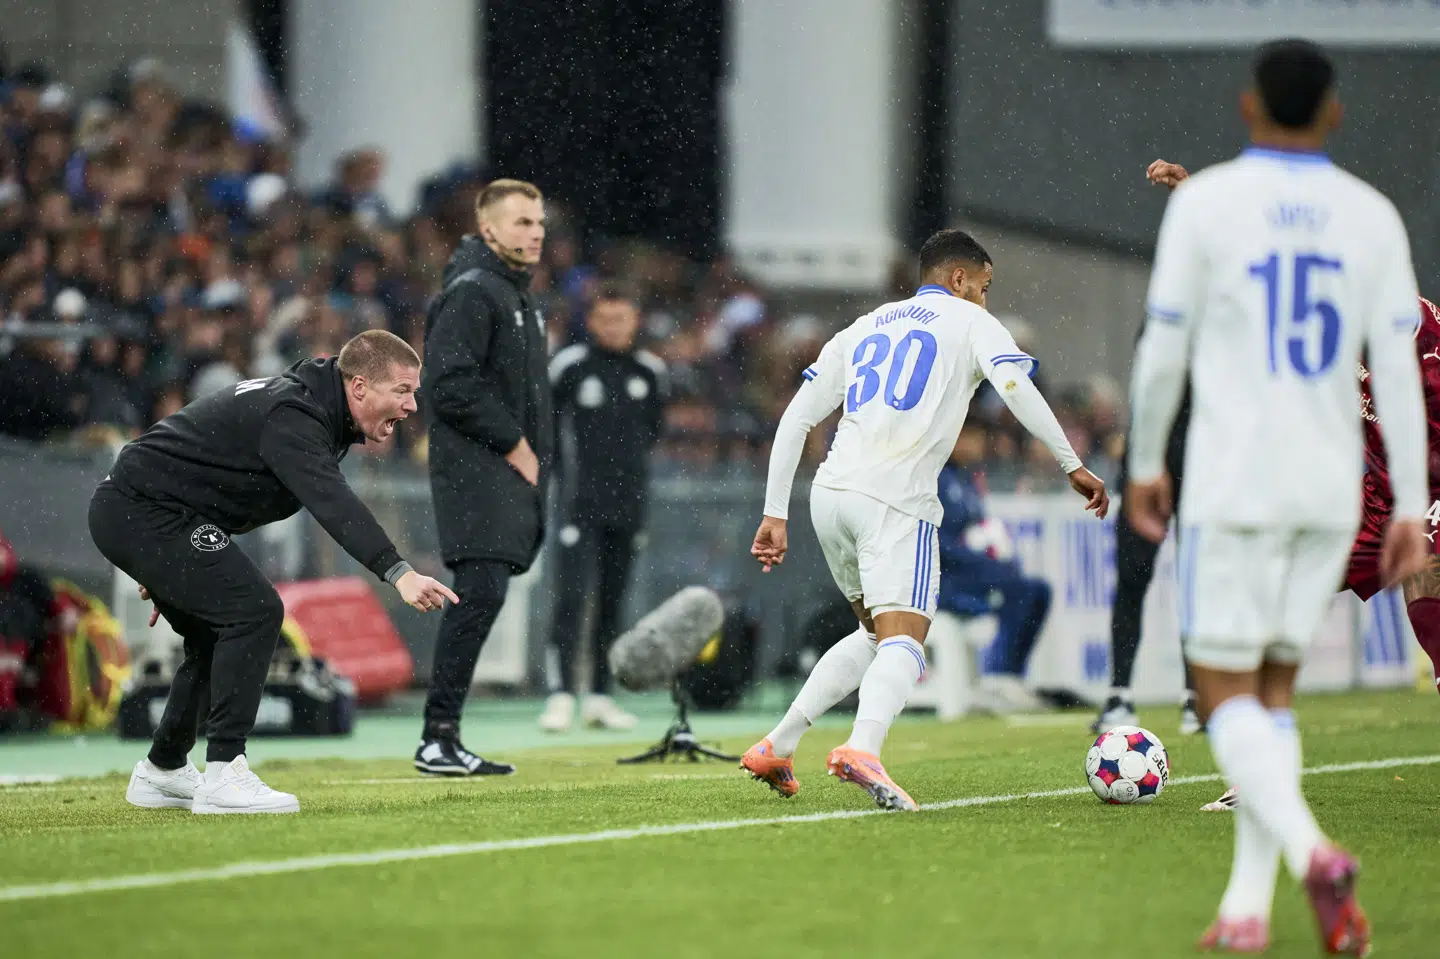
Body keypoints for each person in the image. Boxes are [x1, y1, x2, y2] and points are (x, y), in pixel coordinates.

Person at [1125, 41, 1429, 954]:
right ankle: (1247, 910)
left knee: (1223, 694)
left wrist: (1146, 457)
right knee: (1275, 692)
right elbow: (1402, 374)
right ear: (1334, 113)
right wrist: (1411, 499)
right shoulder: (1373, 216)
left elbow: (1163, 346)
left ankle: (1312, 853)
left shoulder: (1208, 200)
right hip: (1333, 484)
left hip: (1236, 476)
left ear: (1248, 106)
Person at [740, 228, 1109, 810]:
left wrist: (773, 512)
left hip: (830, 494)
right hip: (896, 498)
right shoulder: (970, 321)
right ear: (959, 279)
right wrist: (1072, 463)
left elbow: (795, 418)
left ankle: (778, 744)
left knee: (873, 635)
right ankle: (863, 749)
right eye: (984, 287)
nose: (986, 300)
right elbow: (1016, 384)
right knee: (907, 640)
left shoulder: (862, 328)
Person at [1141, 161, 1440, 812]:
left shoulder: (1413, 325)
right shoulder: (1318, 317)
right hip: (1375, 498)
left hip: (1427, 490)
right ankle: (1259, 778)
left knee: (1429, 604)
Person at [90, 330, 457, 815]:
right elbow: (333, 503)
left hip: (152, 515)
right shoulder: (297, 416)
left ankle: (163, 769)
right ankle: (225, 772)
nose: (412, 406)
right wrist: (398, 571)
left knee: (212, 635)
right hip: (142, 511)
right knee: (257, 612)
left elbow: (212, 473)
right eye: (403, 391)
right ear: (361, 387)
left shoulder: (318, 409)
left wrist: (162, 562)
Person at [418, 179, 552, 776]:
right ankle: (436, 737)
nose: (536, 232)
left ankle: (443, 736)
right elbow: (447, 383)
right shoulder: (475, 292)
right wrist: (515, 443)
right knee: (479, 596)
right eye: (522, 222)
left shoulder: (515, 296)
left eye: (540, 222)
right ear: (489, 229)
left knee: (484, 596)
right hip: (477, 470)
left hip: (497, 473)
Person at [540, 284, 667, 732]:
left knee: (614, 602)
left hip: (628, 506)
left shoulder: (650, 372)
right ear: (591, 322)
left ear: (635, 322)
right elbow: (548, 437)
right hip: (577, 504)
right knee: (571, 599)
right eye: (605, 319)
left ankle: (599, 695)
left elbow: (651, 433)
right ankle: (559, 695)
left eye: (622, 319)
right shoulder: (569, 368)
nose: (613, 328)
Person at [1093, 318, 1199, 735]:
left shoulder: (1195, 326)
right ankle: (1121, 694)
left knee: (1194, 588)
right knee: (1134, 582)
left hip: (1187, 470)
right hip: (1152, 468)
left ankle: (1195, 696)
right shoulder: (1167, 320)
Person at [935, 423, 1052, 713]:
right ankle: (998, 678)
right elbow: (936, 540)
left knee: (1037, 590)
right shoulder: (934, 479)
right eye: (970, 438)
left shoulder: (966, 479)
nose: (976, 446)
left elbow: (979, 529)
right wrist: (985, 563)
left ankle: (1010, 675)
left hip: (973, 573)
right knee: (1018, 591)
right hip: (948, 580)